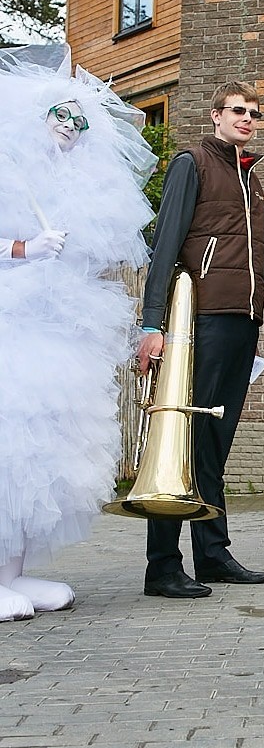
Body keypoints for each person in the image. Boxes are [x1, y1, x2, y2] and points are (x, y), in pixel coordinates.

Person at [0, 44, 155, 623]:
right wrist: (22, 249)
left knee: (48, 449)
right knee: (13, 443)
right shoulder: (7, 173)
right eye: (60, 118)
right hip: (13, 325)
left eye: (77, 123)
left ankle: (12, 573)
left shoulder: (74, 189)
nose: (68, 130)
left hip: (60, 328)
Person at [135, 82, 264, 598]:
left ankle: (212, 554)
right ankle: (163, 566)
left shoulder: (250, 177)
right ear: (216, 115)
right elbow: (166, 243)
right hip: (201, 323)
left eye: (254, 113)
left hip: (242, 321)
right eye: (238, 111)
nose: (247, 119)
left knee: (214, 443)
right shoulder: (193, 162)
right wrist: (153, 324)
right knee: (181, 439)